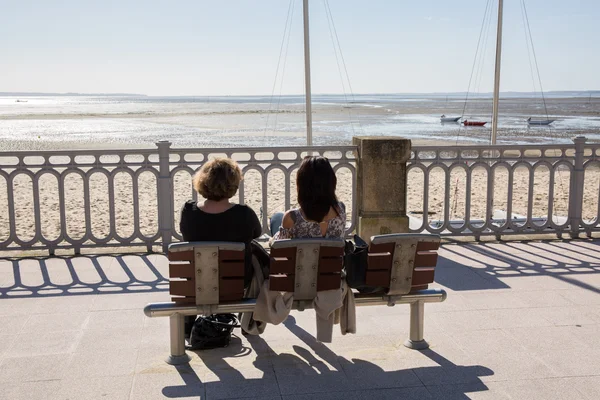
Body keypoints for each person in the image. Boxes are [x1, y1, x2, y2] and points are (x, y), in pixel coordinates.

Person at [180, 158, 262, 336]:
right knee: (255, 254)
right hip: (237, 280)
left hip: (198, 279)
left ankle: (188, 323)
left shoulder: (188, 212)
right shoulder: (244, 213)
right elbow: (257, 233)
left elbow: (186, 236)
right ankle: (249, 318)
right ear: (233, 184)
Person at [270, 156, 346, 240]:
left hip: (302, 253)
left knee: (277, 217)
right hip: (334, 253)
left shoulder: (292, 218)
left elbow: (279, 247)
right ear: (331, 182)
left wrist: (271, 241)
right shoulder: (341, 209)